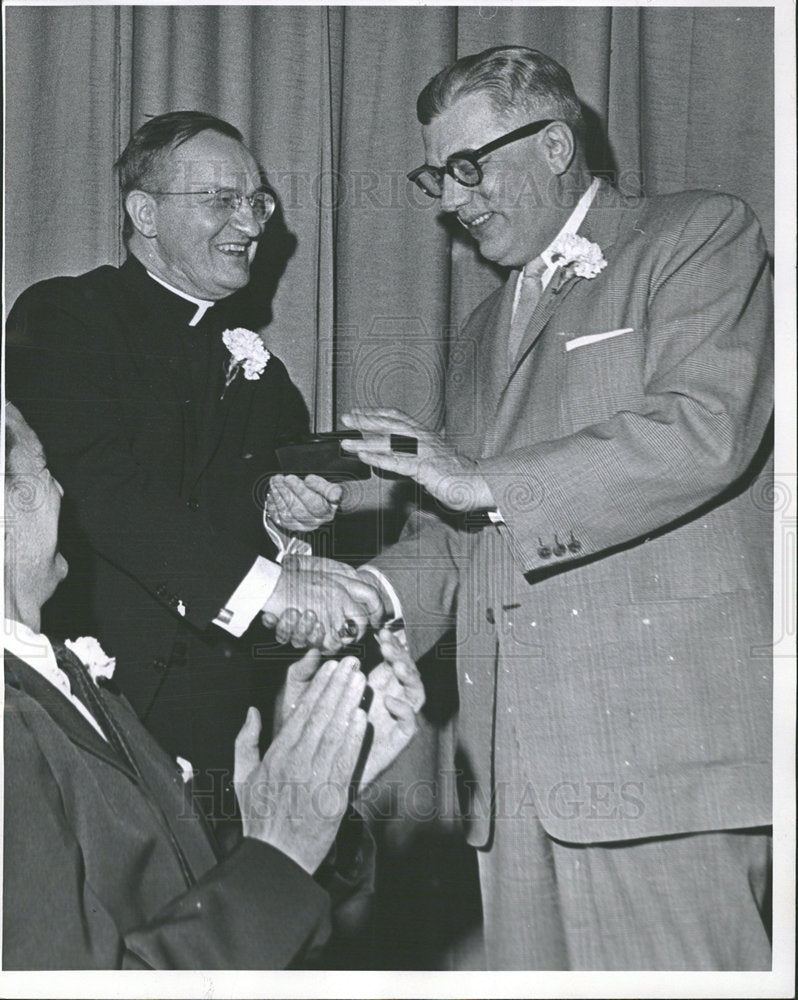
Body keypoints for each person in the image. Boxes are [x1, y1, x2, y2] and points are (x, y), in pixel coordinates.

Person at [332, 46, 773, 970]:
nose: (453, 200)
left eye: (469, 166)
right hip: (510, 782)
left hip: (659, 766)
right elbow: (456, 534)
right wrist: (358, 595)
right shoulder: (480, 331)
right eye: (437, 176)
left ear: (556, 146)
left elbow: (704, 430)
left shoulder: (696, 234)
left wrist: (484, 482)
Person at [5, 111, 382, 817]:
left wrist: (283, 521)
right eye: (220, 199)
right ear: (144, 214)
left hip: (227, 724)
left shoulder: (266, 374)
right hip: (92, 709)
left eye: (257, 201)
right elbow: (100, 488)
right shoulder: (61, 316)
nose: (250, 223)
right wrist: (270, 588)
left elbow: (242, 510)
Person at [3, 401, 424, 969]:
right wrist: (279, 852)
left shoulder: (68, 677)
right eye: (45, 469)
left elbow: (180, 902)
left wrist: (311, 794)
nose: (61, 493)